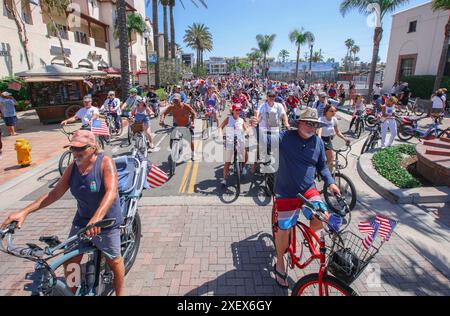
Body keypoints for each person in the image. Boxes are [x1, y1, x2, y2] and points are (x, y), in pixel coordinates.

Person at [1, 130, 125, 295]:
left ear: (93, 147)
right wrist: (24, 212)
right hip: (82, 220)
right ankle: (71, 292)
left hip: (105, 220)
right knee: (71, 260)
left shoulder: (105, 162)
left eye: (81, 149)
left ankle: (120, 292)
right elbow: (54, 194)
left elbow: (111, 192)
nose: (76, 153)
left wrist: (96, 219)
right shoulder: (72, 168)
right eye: (73, 149)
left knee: (114, 261)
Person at [272, 108, 341, 288]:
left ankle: (312, 237)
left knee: (322, 216)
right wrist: (253, 129)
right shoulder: (285, 137)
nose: (311, 127)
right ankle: (280, 261)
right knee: (284, 229)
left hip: (308, 190)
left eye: (314, 124)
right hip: (286, 192)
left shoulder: (317, 142)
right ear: (299, 124)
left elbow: (323, 167)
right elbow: (264, 140)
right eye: (308, 123)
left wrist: (331, 182)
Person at [220, 103, 250, 187]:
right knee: (227, 162)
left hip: (240, 140)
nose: (238, 111)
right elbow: (220, 127)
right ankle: (224, 179)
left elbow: (246, 128)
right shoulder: (228, 119)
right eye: (236, 110)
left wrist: (247, 132)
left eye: (239, 110)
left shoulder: (241, 120)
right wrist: (221, 135)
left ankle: (243, 167)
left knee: (245, 155)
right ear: (232, 111)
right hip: (230, 141)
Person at [160, 94, 196, 161]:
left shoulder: (186, 106)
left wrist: (193, 123)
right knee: (172, 139)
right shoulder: (171, 107)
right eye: (174, 100)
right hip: (176, 125)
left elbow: (193, 113)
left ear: (180, 99)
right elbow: (163, 113)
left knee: (191, 141)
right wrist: (161, 120)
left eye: (177, 100)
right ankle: (176, 149)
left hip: (186, 125)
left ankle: (193, 153)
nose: (175, 102)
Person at [318, 105, 350, 170]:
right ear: (326, 111)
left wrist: (345, 139)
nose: (334, 112)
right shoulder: (321, 119)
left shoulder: (334, 120)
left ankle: (329, 176)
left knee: (331, 161)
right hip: (320, 140)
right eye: (331, 111)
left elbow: (338, 132)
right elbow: (319, 133)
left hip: (327, 140)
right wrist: (319, 141)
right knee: (318, 160)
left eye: (335, 111)